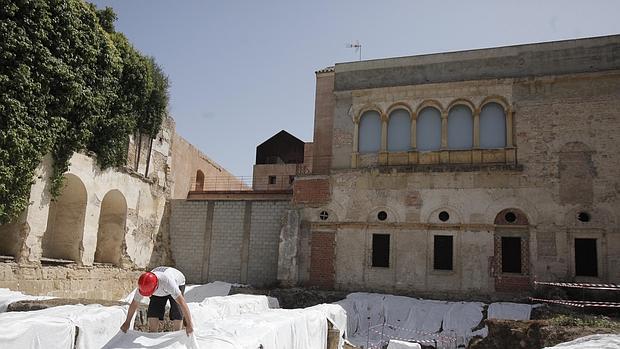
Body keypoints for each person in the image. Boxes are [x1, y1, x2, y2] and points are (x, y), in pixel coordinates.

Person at [120, 266, 194, 335]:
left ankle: (176, 335)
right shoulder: (143, 284)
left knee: (176, 308)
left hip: (177, 282)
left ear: (156, 287)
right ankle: (153, 334)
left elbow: (182, 303)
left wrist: (189, 324)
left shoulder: (168, 282)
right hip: (159, 286)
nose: (148, 295)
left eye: (149, 293)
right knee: (153, 310)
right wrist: (127, 322)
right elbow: (134, 304)